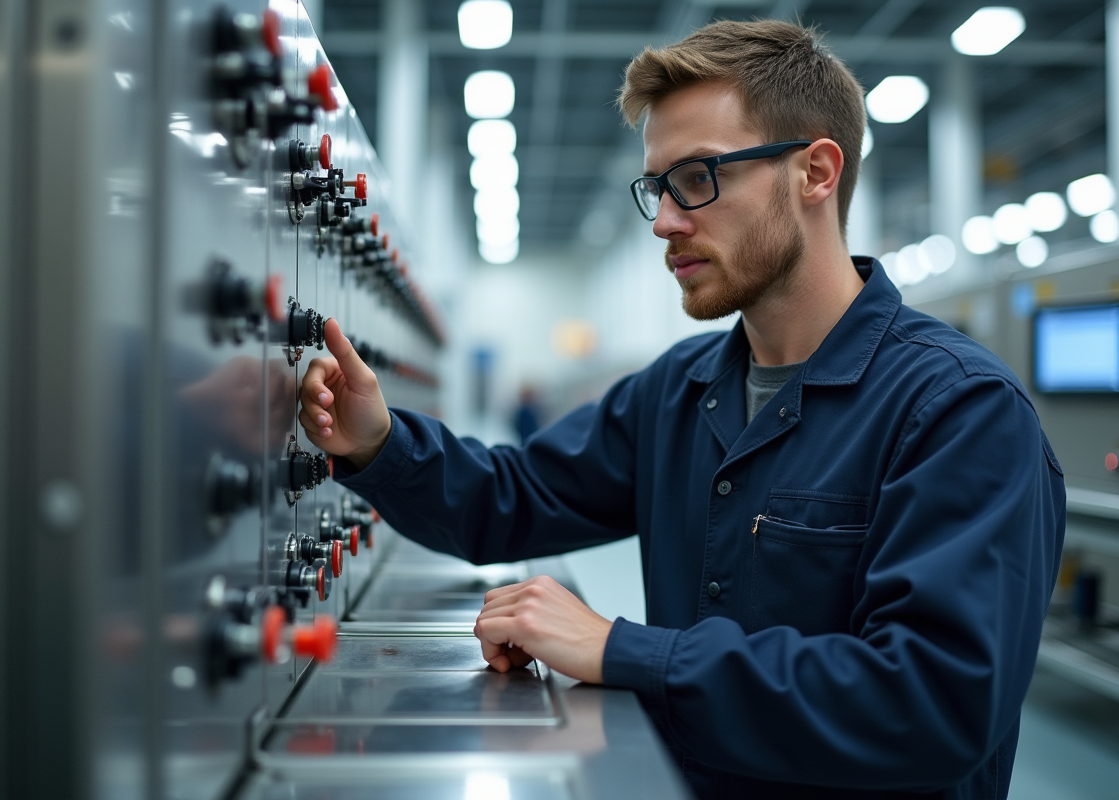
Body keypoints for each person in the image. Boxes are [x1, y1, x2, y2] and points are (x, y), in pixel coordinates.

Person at [297, 19, 1065, 800]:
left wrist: (623, 651)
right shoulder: (678, 391)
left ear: (816, 173)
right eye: (657, 188)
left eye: (697, 178)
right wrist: (378, 442)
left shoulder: (959, 412)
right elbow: (514, 497)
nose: (665, 221)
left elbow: (929, 706)